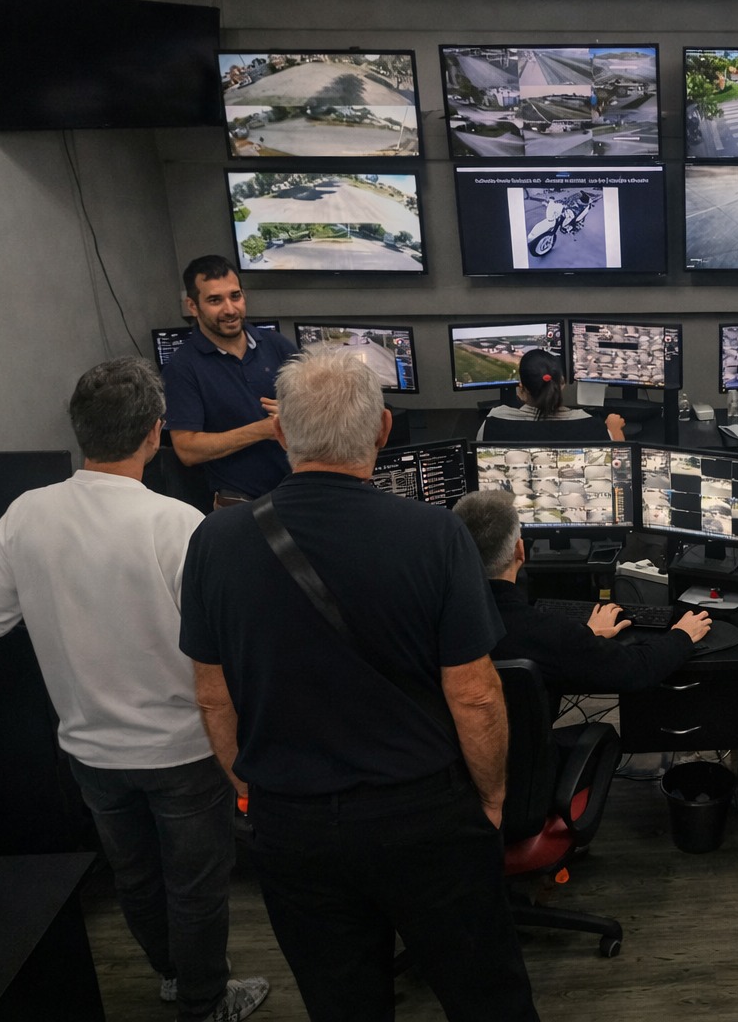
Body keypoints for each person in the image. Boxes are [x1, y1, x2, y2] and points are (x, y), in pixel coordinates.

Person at [180, 350, 538, 1022]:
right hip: (423, 811)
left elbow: (211, 695)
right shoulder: (434, 534)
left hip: (292, 821)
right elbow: (474, 694)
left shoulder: (216, 541)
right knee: (485, 996)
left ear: (280, 432)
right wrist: (492, 797)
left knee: (342, 1004)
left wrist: (252, 793)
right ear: (382, 429)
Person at [0, 358, 268, 1022]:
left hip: (89, 749)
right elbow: (228, 649)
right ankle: (204, 1000)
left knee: (136, 878)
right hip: (182, 750)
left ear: (80, 429)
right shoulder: (179, 525)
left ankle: (171, 976)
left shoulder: (25, 514)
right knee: (196, 886)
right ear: (155, 433)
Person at [452, 489, 711, 694]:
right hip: (528, 743)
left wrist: (588, 635)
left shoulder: (441, 619)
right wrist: (681, 635)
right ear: (520, 551)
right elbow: (635, 670)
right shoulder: (548, 633)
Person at [163, 254, 299, 506]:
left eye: (235, 296)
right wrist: (265, 429)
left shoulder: (277, 345)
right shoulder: (182, 367)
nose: (230, 309)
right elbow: (186, 449)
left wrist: (297, 414)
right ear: (192, 306)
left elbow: (319, 406)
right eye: (215, 300)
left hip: (297, 491)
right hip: (239, 504)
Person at [481, 348, 625, 440]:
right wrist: (614, 430)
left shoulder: (491, 423)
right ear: (562, 383)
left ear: (521, 389)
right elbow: (619, 462)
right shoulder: (590, 425)